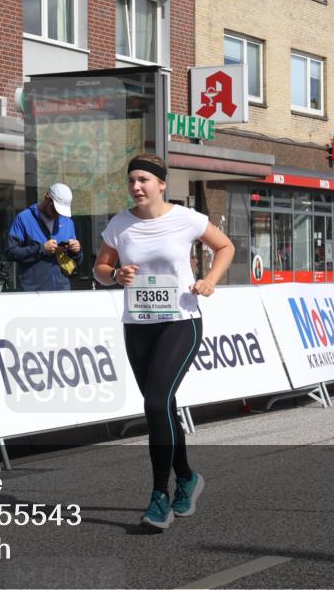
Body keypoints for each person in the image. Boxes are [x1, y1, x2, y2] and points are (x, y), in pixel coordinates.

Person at [93, 154, 235, 531]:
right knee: (162, 409)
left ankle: (160, 496)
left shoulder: (186, 218)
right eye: (131, 181)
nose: (136, 187)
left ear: (160, 184)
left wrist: (210, 281)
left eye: (143, 180)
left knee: (155, 402)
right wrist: (116, 274)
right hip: (138, 325)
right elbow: (100, 268)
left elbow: (225, 247)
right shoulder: (120, 224)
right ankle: (187, 478)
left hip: (180, 323)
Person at [5, 182, 82, 291]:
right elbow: (10, 253)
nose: (57, 215)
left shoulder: (67, 222)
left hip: (62, 289)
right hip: (32, 291)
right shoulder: (24, 218)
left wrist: (76, 251)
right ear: (47, 198)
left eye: (61, 212)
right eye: (55, 210)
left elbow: (77, 260)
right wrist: (41, 249)